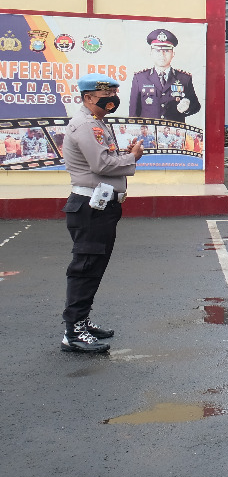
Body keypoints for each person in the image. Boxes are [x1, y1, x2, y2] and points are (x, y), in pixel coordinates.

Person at [60, 75, 143, 353]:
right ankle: (74, 332)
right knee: (85, 268)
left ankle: (81, 321)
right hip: (91, 207)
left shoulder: (96, 122)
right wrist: (132, 157)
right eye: (106, 95)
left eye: (114, 94)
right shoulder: (86, 125)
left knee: (93, 267)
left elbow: (103, 159)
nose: (112, 100)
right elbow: (101, 164)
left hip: (100, 206)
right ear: (88, 97)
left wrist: (125, 155)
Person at [128, 29, 201, 122]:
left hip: (174, 130)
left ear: (173, 54)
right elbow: (133, 114)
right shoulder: (140, 78)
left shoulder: (184, 79)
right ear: (151, 53)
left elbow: (196, 106)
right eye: (157, 51)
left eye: (166, 51)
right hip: (148, 130)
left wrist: (187, 106)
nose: (162, 55)